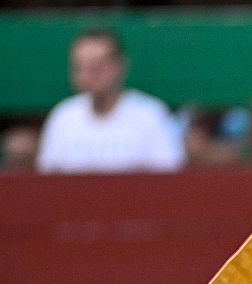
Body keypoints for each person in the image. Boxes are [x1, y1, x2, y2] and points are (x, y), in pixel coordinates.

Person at [36, 27, 184, 174]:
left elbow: (167, 176)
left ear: (120, 65)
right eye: (82, 66)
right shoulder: (62, 117)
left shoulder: (151, 115)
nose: (90, 73)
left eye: (98, 65)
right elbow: (49, 177)